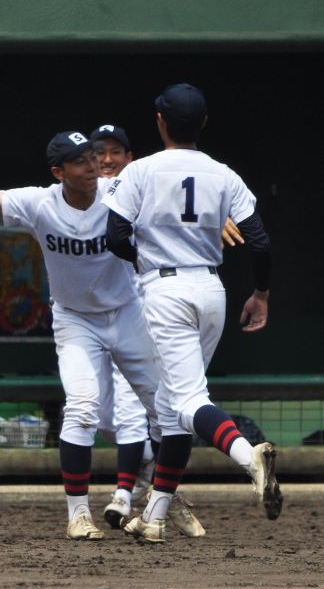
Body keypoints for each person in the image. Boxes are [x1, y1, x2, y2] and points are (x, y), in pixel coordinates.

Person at [0, 128, 195, 542]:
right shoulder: (39, 201)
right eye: (81, 161)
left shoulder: (120, 189)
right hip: (76, 320)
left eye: (94, 157)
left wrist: (216, 214)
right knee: (82, 410)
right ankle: (78, 515)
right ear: (58, 171)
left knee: (167, 411)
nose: (93, 165)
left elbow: (176, 200)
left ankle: (161, 504)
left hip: (127, 313)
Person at [102, 84, 280, 543]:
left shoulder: (140, 169)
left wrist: (149, 254)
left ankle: (248, 457)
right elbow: (259, 242)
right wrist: (260, 293)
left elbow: (115, 235)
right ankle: (156, 516)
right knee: (168, 408)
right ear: (202, 123)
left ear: (160, 122)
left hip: (166, 288)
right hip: (212, 290)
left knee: (185, 402)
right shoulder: (224, 173)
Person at [90, 124, 205, 538]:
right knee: (100, 415)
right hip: (85, 316)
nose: (106, 158)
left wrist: (220, 214)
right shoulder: (84, 192)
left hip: (136, 312)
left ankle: (125, 495)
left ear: (129, 157)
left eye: (115, 150)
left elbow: (186, 208)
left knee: (134, 408)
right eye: (98, 151)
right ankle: (157, 482)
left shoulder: (141, 187)